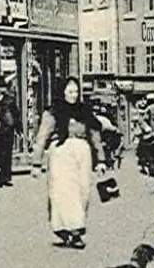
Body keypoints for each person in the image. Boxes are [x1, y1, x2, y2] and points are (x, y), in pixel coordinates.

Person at [31, 77, 108, 249]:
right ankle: (73, 230)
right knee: (63, 193)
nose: (74, 95)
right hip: (61, 154)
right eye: (70, 91)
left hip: (82, 154)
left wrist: (101, 160)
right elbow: (42, 137)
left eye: (76, 91)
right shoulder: (53, 113)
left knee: (82, 192)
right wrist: (36, 163)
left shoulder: (85, 112)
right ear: (62, 92)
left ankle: (73, 228)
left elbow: (95, 136)